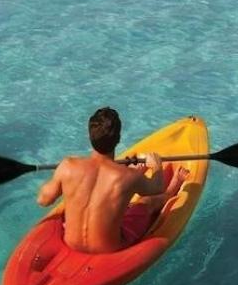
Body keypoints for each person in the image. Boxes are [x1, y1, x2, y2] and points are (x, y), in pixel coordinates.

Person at [35, 107, 189, 253]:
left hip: (71, 243)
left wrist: (59, 177)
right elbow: (157, 187)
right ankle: (171, 192)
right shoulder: (127, 176)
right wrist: (156, 166)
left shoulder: (68, 166)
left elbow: (43, 200)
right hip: (110, 247)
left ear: (90, 136)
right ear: (118, 139)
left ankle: (138, 173)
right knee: (147, 202)